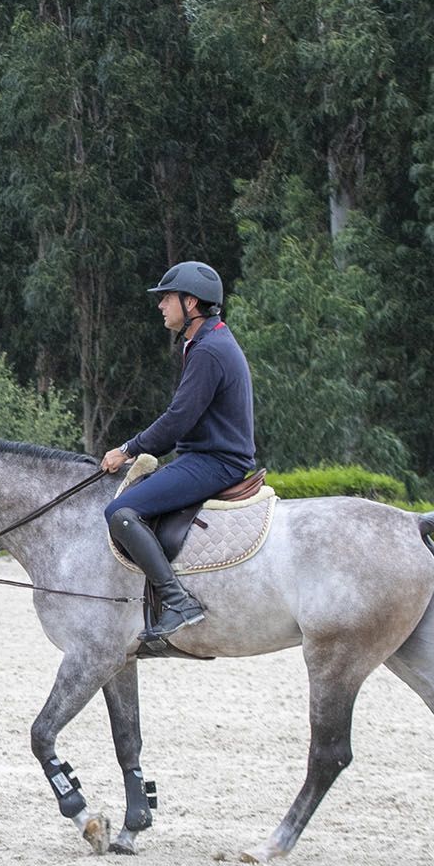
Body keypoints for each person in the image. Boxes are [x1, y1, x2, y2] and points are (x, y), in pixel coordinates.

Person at [98, 260, 255, 642]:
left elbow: (178, 419)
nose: (160, 305)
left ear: (191, 303)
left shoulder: (208, 351)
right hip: (207, 456)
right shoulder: (206, 341)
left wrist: (128, 449)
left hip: (215, 462)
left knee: (119, 511)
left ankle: (177, 601)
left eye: (167, 298)